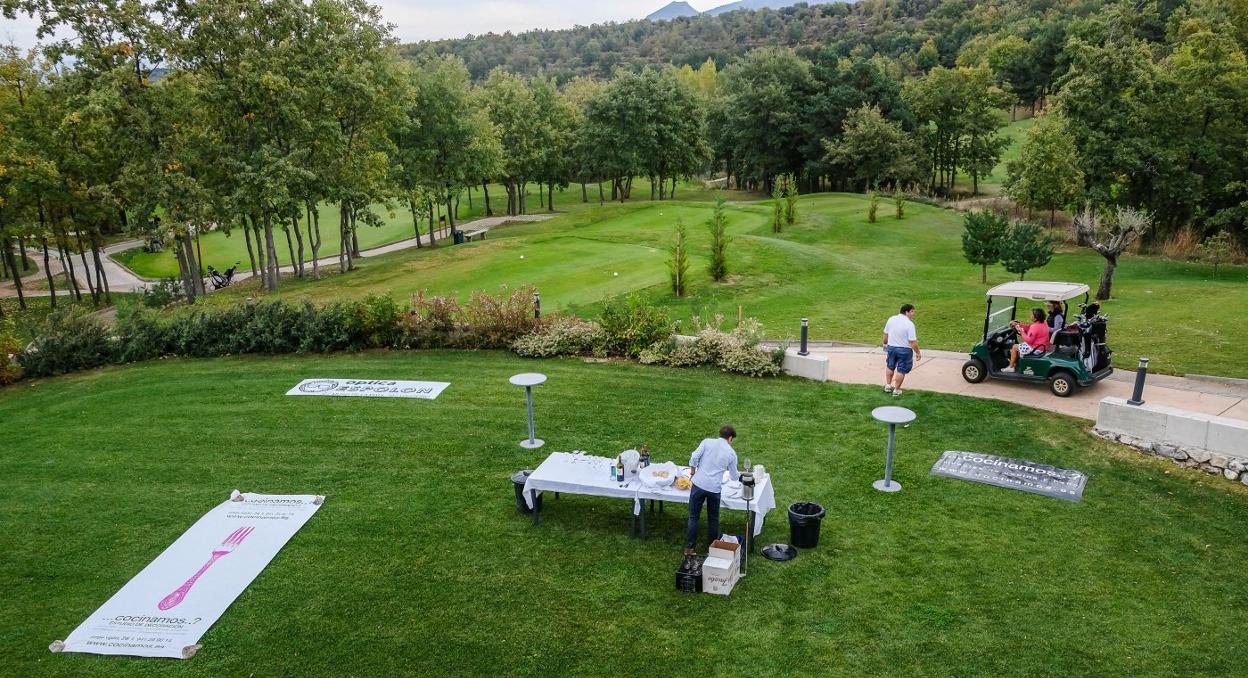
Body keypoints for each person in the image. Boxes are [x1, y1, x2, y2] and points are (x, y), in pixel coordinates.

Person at [685, 425, 740, 556]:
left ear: (720, 434)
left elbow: (694, 457)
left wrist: (693, 470)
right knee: (713, 519)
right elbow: (733, 476)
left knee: (693, 517)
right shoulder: (731, 453)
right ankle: (712, 548)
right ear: (730, 438)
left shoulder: (707, 442)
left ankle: (690, 548)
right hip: (714, 489)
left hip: (698, 484)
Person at [883, 303, 921, 397]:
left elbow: (885, 334)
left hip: (891, 348)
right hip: (904, 350)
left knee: (890, 366)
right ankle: (896, 390)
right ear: (906, 312)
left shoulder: (891, 319)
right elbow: (913, 342)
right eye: (912, 311)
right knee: (901, 370)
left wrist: (885, 344)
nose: (913, 313)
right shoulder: (909, 324)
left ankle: (888, 385)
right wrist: (918, 352)